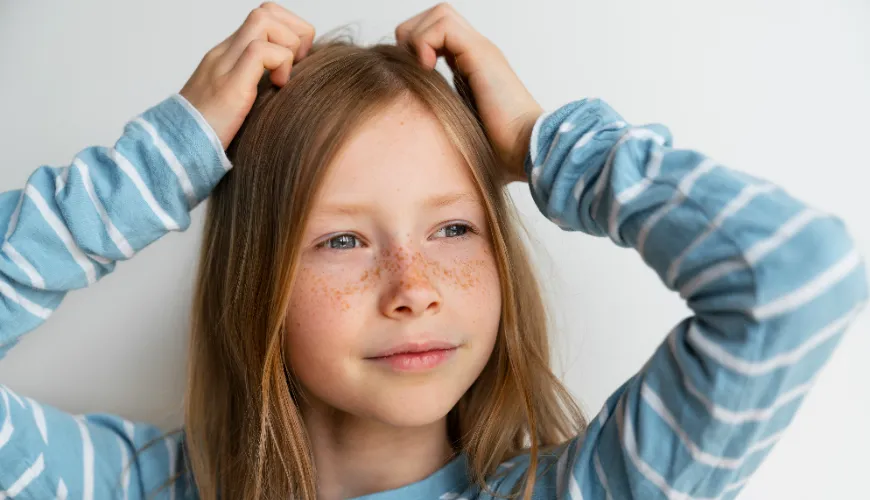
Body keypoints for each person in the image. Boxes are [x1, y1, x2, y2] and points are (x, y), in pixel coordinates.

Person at [0, 3, 866, 499]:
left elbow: (796, 276)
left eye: (453, 228)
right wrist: (162, 162)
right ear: (252, 280)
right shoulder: (123, 488)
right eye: (342, 240)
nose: (413, 289)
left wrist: (544, 145)